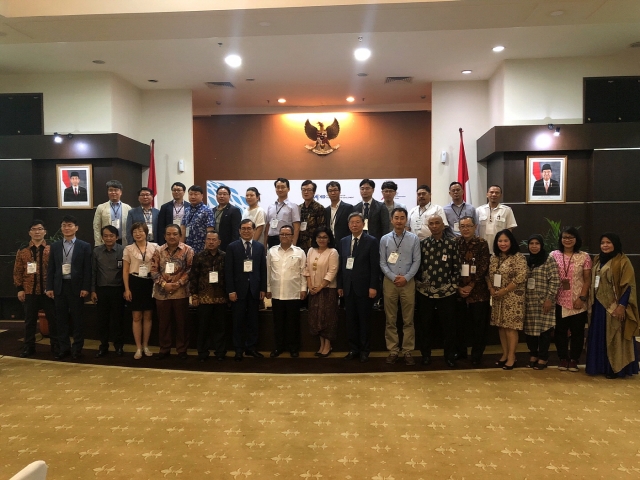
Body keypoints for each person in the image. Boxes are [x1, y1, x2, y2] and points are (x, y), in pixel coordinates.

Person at [586, 233, 639, 378]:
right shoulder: (598, 259)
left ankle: (615, 369)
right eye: (602, 242)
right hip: (598, 306)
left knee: (615, 336)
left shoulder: (623, 261)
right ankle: (599, 366)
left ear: (615, 244)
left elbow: (629, 285)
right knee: (599, 336)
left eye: (608, 242)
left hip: (614, 307)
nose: (605, 245)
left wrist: (622, 305)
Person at [415, 215, 460, 368]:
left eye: (437, 223)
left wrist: (453, 286)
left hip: (447, 293)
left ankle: (449, 356)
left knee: (449, 327)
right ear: (428, 226)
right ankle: (426, 356)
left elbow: (457, 267)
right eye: (431, 224)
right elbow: (418, 267)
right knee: (424, 326)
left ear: (443, 225)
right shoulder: (423, 244)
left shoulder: (451, 244)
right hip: (425, 293)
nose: (434, 226)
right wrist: (419, 284)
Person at [46, 215, 92, 360]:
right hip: (60, 287)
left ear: (76, 228)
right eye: (64, 225)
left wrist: (86, 287)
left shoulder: (84, 246)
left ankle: (77, 349)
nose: (67, 228)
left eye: (70, 225)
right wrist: (49, 287)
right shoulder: (55, 246)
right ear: (61, 228)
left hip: (77, 288)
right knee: (61, 320)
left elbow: (87, 269)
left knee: (78, 320)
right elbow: (51, 268)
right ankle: (63, 348)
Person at [379, 207, 420, 365]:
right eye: (396, 218)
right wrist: (393, 276)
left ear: (406, 220)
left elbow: (417, 260)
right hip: (390, 282)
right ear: (391, 220)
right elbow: (382, 261)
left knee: (408, 319)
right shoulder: (385, 239)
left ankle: (407, 350)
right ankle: (393, 349)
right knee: (390, 318)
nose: (399, 221)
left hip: (408, 282)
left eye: (402, 218)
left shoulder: (414, 238)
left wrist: (407, 277)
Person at [337, 212, 380, 362]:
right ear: (348, 225)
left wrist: (373, 286)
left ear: (363, 224)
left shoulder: (371, 241)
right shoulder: (343, 241)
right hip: (348, 288)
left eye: (357, 222)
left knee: (364, 321)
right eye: (351, 223)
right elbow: (342, 265)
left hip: (365, 288)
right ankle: (353, 349)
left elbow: (375, 266)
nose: (354, 225)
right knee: (351, 321)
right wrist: (340, 285)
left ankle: (364, 350)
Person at [13, 219, 59, 357]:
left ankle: (56, 347)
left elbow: (56, 270)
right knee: (29, 322)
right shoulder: (23, 251)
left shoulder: (52, 249)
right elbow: (17, 271)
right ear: (29, 232)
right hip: (29, 291)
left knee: (53, 320)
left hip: (48, 291)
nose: (37, 232)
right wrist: (19, 288)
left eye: (40, 229)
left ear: (45, 232)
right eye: (34, 229)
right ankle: (28, 347)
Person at [551, 226, 592, 372]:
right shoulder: (553, 255)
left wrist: (582, 297)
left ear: (576, 240)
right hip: (559, 299)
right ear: (561, 239)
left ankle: (574, 359)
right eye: (565, 237)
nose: (567, 240)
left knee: (578, 332)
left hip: (578, 300)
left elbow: (587, 280)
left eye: (570, 237)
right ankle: (563, 358)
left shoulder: (584, 256)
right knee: (560, 331)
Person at [225, 219, 267, 361]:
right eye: (243, 228)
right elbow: (228, 271)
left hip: (254, 290)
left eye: (249, 228)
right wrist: (230, 290)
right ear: (239, 231)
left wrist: (263, 288)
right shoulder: (232, 247)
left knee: (253, 322)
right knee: (237, 322)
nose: (246, 231)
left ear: (254, 230)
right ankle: (238, 349)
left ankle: (251, 348)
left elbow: (263, 269)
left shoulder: (260, 247)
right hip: (238, 291)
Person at [151, 224, 194, 360]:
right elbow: (153, 270)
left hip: (180, 292)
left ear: (180, 235)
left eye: (175, 234)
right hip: (162, 293)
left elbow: (190, 270)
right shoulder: (158, 250)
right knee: (163, 323)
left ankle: (181, 349)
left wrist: (178, 284)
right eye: (168, 234)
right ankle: (165, 348)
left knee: (182, 323)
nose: (172, 236)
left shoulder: (188, 250)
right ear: (164, 236)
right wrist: (164, 284)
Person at [486, 229, 527, 370]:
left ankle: (512, 357)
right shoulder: (494, 258)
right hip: (497, 297)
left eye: (505, 240)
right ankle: (504, 354)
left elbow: (520, 277)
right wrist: (491, 288)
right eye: (500, 241)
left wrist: (504, 290)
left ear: (511, 242)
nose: (502, 244)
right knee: (501, 327)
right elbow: (487, 275)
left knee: (510, 328)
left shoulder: (518, 257)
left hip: (512, 297)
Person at [266, 225, 307, 357]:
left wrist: (303, 289)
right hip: (277, 293)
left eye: (287, 234)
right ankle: (279, 347)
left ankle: (293, 348)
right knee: (278, 323)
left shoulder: (299, 252)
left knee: (293, 323)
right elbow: (268, 271)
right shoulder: (272, 251)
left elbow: (303, 272)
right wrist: (268, 288)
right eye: (282, 234)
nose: (284, 236)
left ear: (292, 236)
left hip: (293, 293)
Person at [456, 215, 491, 365]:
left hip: (478, 291)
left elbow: (484, 266)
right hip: (459, 291)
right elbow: (452, 265)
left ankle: (477, 355)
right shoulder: (455, 243)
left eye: (468, 226)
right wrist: (458, 287)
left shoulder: (482, 243)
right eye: (462, 226)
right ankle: (461, 352)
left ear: (475, 227)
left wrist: (471, 285)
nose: (465, 229)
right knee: (460, 324)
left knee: (479, 325)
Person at [189, 231, 228, 362]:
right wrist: (194, 295)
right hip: (203, 298)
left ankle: (220, 352)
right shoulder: (199, 256)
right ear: (205, 241)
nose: (211, 242)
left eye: (214, 239)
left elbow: (228, 277)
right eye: (208, 239)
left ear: (219, 242)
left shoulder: (224, 257)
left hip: (220, 298)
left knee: (220, 328)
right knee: (203, 327)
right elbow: (193, 277)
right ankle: (202, 352)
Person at [123, 222, 159, 359]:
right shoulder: (128, 249)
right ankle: (138, 347)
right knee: (136, 316)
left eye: (140, 231)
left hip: (150, 282)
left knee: (148, 316)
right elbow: (125, 271)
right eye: (135, 232)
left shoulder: (155, 247)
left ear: (146, 232)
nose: (138, 234)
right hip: (135, 282)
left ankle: (146, 345)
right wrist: (127, 289)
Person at [524, 234, 560, 370]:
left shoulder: (548, 260)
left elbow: (555, 280)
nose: (534, 246)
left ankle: (543, 358)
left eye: (537, 243)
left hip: (544, 301)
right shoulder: (527, 261)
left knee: (544, 331)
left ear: (541, 245)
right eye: (531, 243)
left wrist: (549, 299)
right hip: (529, 302)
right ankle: (533, 355)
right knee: (530, 331)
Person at [304, 226, 339, 358]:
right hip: (313, 291)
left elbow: (332, 271)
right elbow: (307, 269)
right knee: (316, 318)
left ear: (329, 238)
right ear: (315, 238)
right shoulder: (311, 251)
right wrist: (310, 286)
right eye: (319, 237)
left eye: (325, 237)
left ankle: (328, 345)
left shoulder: (333, 252)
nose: (322, 239)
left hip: (328, 290)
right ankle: (321, 344)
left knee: (327, 318)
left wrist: (320, 286)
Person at [91, 225, 125, 358]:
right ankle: (103, 346)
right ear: (102, 237)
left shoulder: (123, 250)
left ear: (117, 237)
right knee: (102, 320)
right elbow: (93, 272)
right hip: (101, 290)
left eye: (111, 235)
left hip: (118, 290)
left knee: (118, 319)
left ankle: (119, 346)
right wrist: (93, 291)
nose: (109, 238)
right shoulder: (96, 252)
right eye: (106, 236)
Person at [476, 185, 517, 254]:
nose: (494, 194)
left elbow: (509, 231)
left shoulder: (507, 210)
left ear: (500, 195)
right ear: (487, 194)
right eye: (491, 192)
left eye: (497, 193)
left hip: (500, 249)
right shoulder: (479, 210)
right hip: (482, 249)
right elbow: (475, 230)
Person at [264, 178, 301, 248]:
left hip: (286, 239)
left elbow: (296, 227)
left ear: (288, 189)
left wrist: (293, 245)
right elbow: (268, 226)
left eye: (283, 187)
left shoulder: (293, 206)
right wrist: (265, 244)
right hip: (271, 239)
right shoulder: (270, 206)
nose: (280, 190)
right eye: (278, 187)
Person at [93, 180, 131, 246]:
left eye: (116, 190)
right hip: (106, 242)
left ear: (120, 192)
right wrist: (98, 243)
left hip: (123, 242)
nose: (113, 192)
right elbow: (96, 226)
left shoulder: (128, 208)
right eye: (110, 190)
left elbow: (131, 227)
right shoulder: (101, 207)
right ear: (108, 192)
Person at [181, 185, 215, 254]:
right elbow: (183, 228)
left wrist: (207, 248)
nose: (193, 196)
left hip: (201, 247)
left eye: (196, 194)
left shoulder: (207, 210)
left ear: (202, 196)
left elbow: (210, 230)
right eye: (190, 194)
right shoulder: (187, 210)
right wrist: (181, 245)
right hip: (187, 246)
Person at [297, 180, 326, 254]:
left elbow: (321, 228)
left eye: (309, 190)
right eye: (303, 190)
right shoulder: (298, 208)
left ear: (314, 192)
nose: (306, 192)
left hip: (313, 245)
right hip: (299, 245)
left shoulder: (319, 208)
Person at [157, 182, 187, 246]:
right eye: (174, 190)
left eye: (179, 190)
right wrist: (162, 243)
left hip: (185, 238)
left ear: (184, 192)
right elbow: (161, 226)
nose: (176, 192)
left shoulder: (189, 206)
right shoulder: (165, 207)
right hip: (169, 238)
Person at [213, 185, 241, 251]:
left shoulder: (234, 210)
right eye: (219, 194)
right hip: (214, 244)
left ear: (229, 196)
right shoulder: (213, 210)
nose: (222, 196)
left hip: (227, 245)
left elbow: (236, 231)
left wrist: (233, 246)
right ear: (216, 196)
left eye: (224, 194)